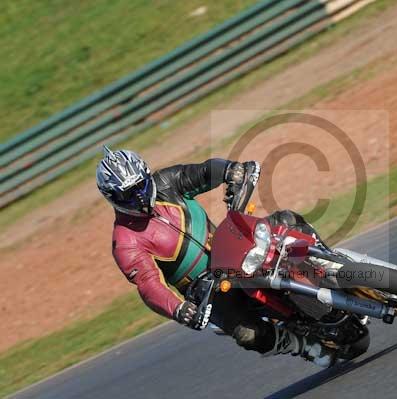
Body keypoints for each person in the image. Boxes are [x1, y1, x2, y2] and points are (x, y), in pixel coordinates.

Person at [96, 146, 336, 367]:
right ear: (112, 197)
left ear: (148, 177)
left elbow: (203, 171)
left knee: (285, 220)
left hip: (231, 245)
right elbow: (148, 284)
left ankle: (329, 261)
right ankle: (301, 346)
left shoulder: (166, 182)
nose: (139, 197)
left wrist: (230, 171)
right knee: (247, 334)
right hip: (208, 288)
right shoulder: (125, 242)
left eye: (141, 186)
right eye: (128, 194)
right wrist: (179, 309)